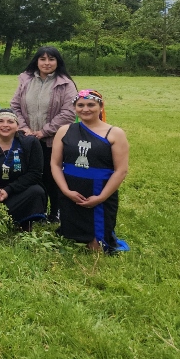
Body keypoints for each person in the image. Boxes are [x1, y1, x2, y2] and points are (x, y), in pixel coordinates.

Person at [51, 90, 130, 253]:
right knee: (70, 239)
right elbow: (55, 164)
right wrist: (66, 191)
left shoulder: (114, 133)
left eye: (91, 105)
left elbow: (121, 171)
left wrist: (100, 197)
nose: (85, 109)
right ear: (74, 108)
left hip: (99, 190)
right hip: (71, 190)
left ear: (101, 107)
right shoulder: (64, 130)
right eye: (80, 105)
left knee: (96, 247)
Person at [10, 46, 78, 220]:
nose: (47, 63)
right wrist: (24, 128)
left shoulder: (65, 83)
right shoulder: (25, 79)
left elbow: (69, 113)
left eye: (51, 59)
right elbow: (15, 106)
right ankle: (36, 210)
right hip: (27, 138)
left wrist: (43, 132)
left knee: (52, 176)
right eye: (43, 59)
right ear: (37, 61)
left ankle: (56, 211)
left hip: (53, 140)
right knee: (31, 175)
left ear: (58, 62)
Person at [0, 109, 47, 229]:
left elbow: (35, 173)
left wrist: (9, 190)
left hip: (18, 192)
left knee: (37, 191)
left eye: (10, 122)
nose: (5, 125)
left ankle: (19, 220)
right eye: (0, 121)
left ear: (18, 126)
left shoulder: (30, 143)